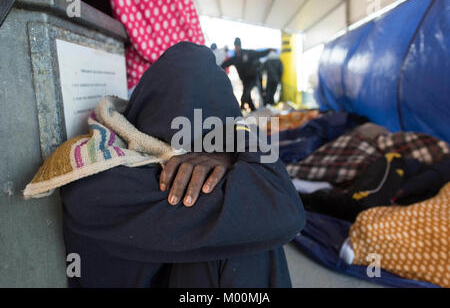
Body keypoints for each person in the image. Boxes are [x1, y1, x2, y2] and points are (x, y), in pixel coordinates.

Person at [60, 42, 305, 288]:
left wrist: (227, 146)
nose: (197, 158)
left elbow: (282, 208)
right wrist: (237, 136)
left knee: (250, 232)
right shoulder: (98, 181)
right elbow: (284, 206)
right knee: (247, 239)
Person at [221, 38, 273, 111]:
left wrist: (268, 50)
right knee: (247, 94)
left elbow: (259, 54)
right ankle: (252, 109)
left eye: (238, 45)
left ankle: (262, 106)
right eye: (236, 46)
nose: (237, 47)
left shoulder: (247, 53)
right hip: (244, 79)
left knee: (251, 92)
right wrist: (217, 68)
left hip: (253, 77)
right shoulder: (235, 58)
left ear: (240, 45)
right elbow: (225, 63)